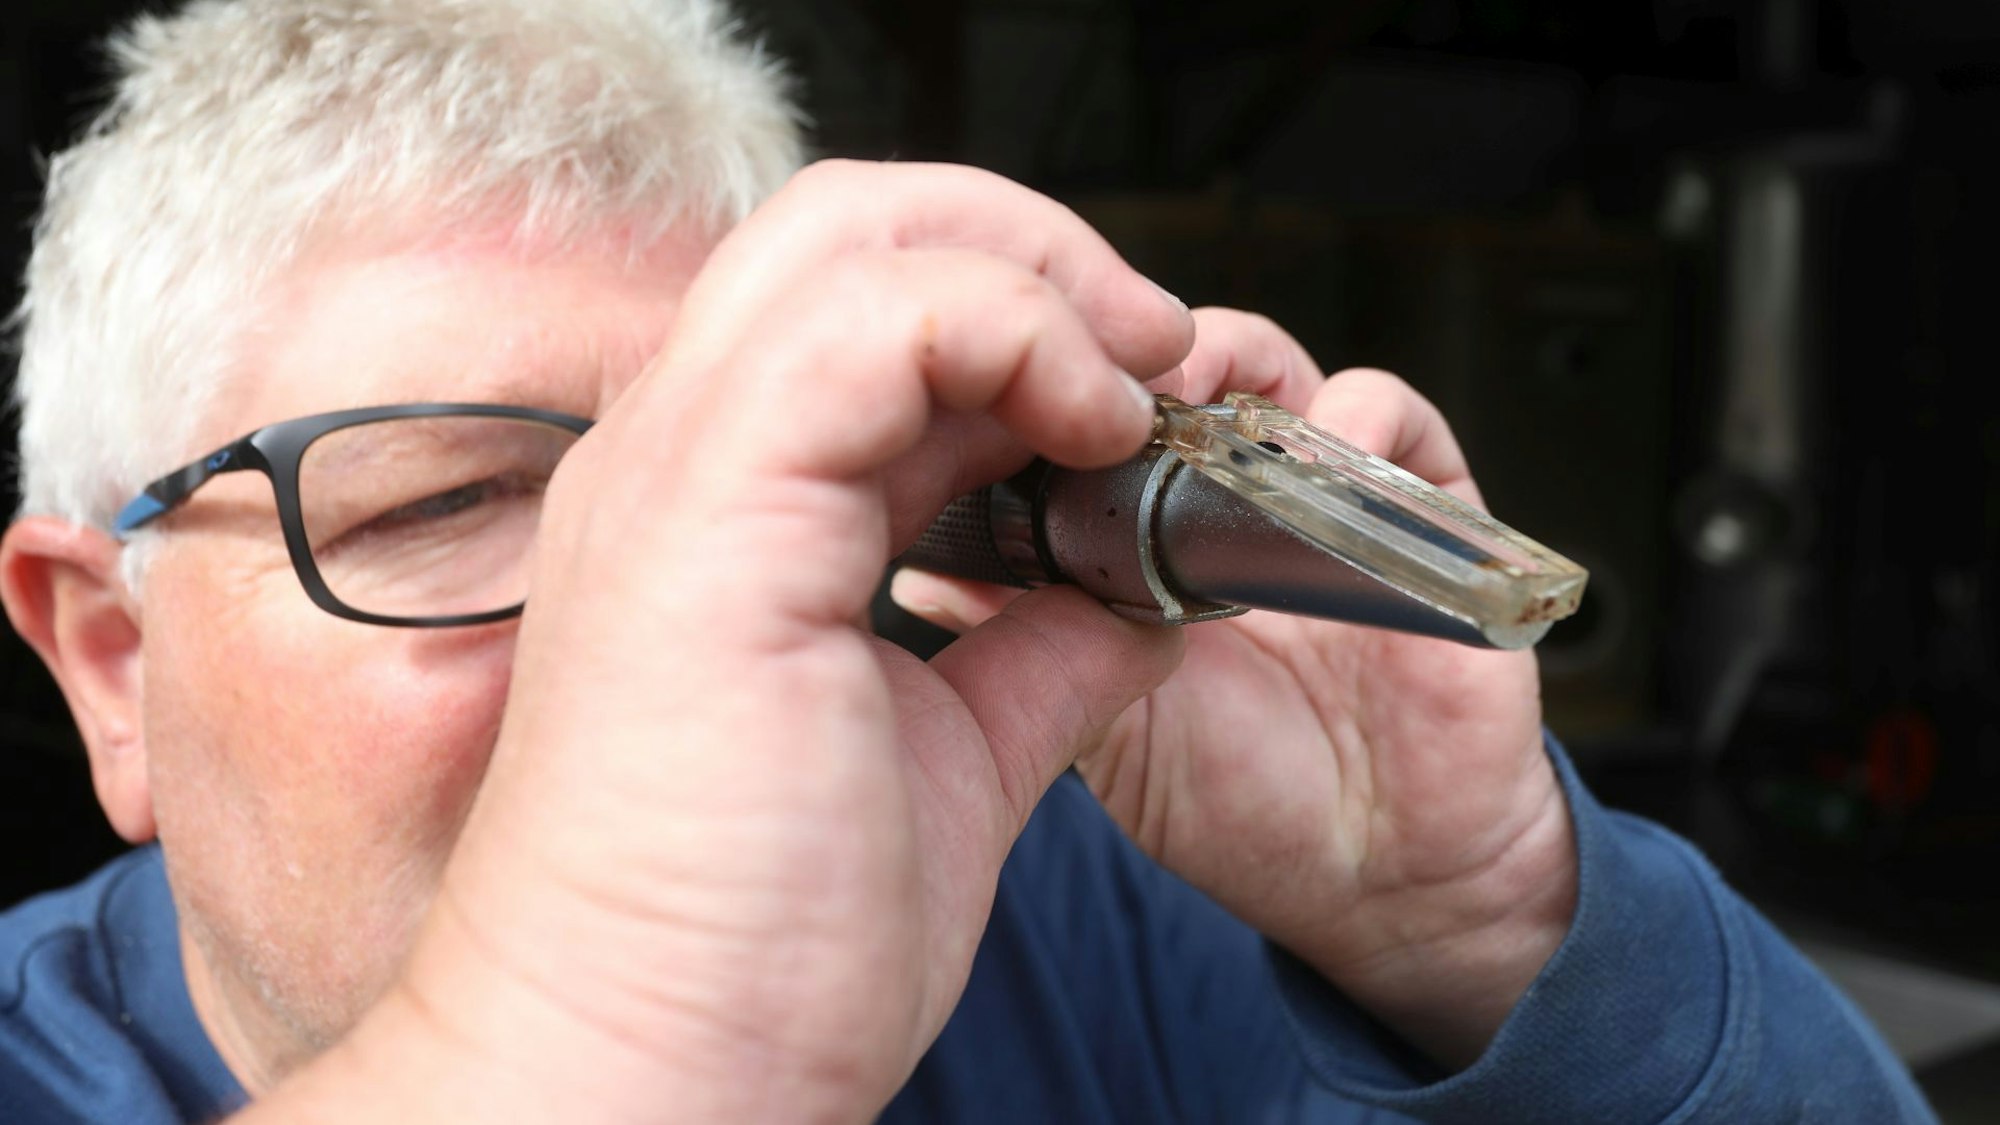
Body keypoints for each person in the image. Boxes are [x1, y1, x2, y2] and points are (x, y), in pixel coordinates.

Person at [0, 0, 1936, 1121]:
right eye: (442, 502)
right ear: (109, 657)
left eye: (730, 483)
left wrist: (1473, 917)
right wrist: (597, 1035)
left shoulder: (1091, 918)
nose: (636, 628)